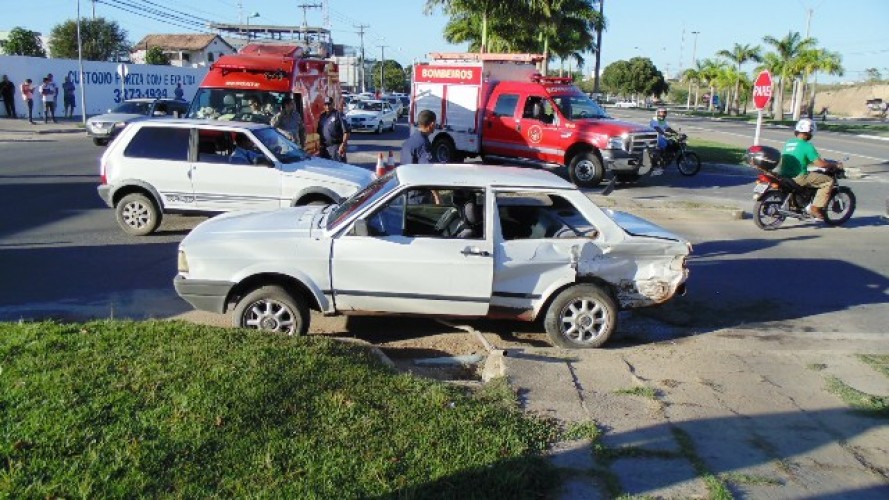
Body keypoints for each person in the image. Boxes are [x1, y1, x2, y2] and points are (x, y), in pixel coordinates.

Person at [779, 118, 843, 220]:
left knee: (812, 175)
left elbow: (799, 157)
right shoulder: (807, 146)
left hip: (783, 173)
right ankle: (815, 208)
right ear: (809, 132)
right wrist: (833, 165)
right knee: (828, 181)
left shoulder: (789, 142)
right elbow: (820, 164)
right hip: (799, 177)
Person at [317, 96, 350, 162]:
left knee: (338, 168)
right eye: (326, 104)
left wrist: (343, 145)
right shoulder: (322, 116)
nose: (327, 106)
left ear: (333, 104)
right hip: (324, 148)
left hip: (336, 147)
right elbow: (319, 131)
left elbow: (346, 132)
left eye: (329, 104)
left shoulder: (338, 115)